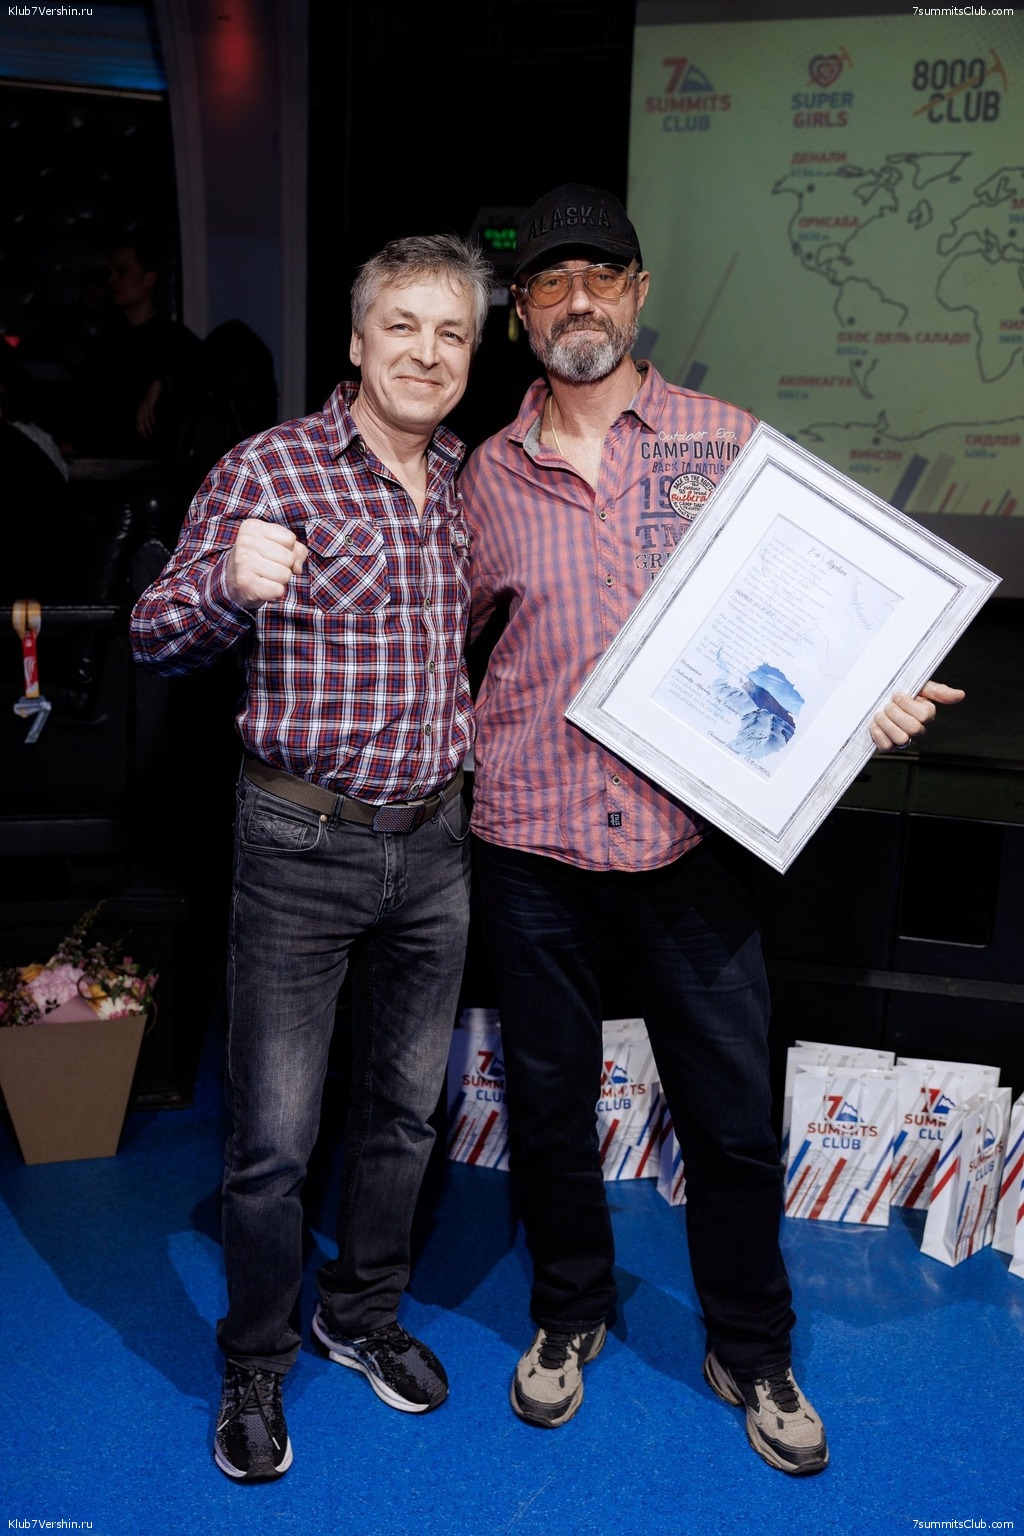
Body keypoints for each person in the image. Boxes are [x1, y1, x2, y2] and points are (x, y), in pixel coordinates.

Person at [459, 184, 964, 1476]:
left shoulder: (727, 442)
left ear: (638, 295)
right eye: (551, 281)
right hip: (531, 843)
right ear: (522, 315)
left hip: (691, 846)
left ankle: (750, 1345)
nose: (579, 300)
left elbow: (822, 610)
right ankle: (570, 1311)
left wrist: (870, 698)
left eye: (602, 277)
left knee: (731, 1120)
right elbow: (447, 643)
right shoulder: (483, 478)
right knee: (550, 1108)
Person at [130, 233, 493, 1481]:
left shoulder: (468, 481)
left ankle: (362, 1314)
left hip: (434, 845)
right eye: (402, 326)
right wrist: (226, 584)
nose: (425, 353)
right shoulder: (270, 467)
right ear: (356, 339)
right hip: (299, 842)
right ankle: (255, 1361)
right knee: (276, 1138)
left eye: (450, 333)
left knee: (403, 1115)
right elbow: (152, 634)